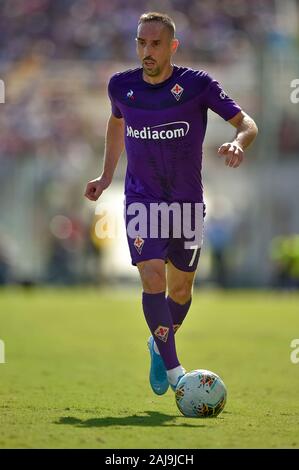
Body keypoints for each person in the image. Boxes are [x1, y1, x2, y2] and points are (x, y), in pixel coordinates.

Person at [85, 12, 258, 395]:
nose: (147, 51)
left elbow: (248, 123)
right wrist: (106, 176)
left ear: (172, 46)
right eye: (141, 43)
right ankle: (177, 371)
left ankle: (157, 345)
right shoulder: (121, 87)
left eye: (156, 44)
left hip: (187, 205)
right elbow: (116, 123)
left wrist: (237, 142)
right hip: (142, 201)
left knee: (180, 293)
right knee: (152, 278)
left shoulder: (198, 85)